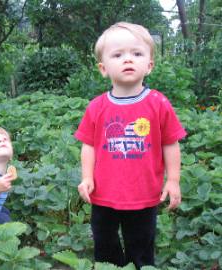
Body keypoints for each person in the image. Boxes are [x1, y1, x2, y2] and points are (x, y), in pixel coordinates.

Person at [74, 22, 187, 269]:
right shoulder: (97, 107)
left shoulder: (158, 103)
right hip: (103, 194)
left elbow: (171, 143)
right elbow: (89, 146)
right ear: (103, 68)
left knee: (141, 249)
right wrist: (86, 177)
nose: (128, 59)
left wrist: (173, 180)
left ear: (149, 65)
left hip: (144, 195)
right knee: (104, 247)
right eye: (118, 54)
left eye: (137, 53)